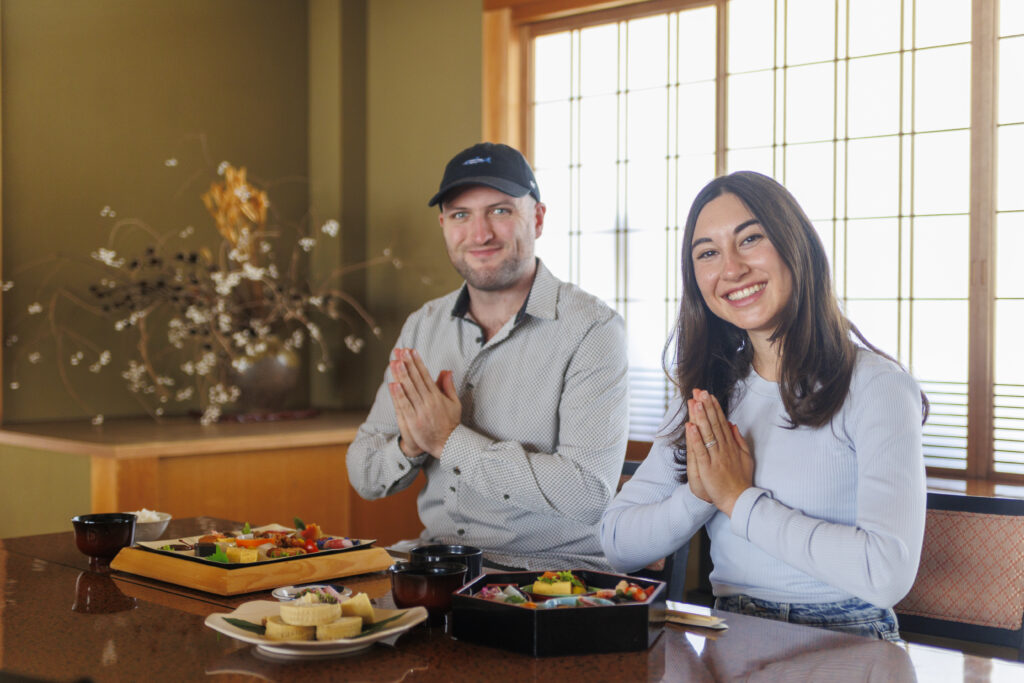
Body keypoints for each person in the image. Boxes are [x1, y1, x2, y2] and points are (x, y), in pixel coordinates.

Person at [600, 171, 928, 641]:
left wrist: (738, 498)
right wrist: (701, 494)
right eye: (708, 253)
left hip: (847, 637)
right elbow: (616, 544)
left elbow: (886, 572)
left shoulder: (876, 386)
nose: (731, 269)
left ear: (797, 247)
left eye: (750, 238)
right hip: (727, 633)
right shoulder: (708, 392)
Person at [346, 142, 629, 571]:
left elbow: (587, 493)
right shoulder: (424, 325)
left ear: (537, 218)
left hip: (550, 576)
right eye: (461, 215)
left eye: (499, 211)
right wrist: (411, 442)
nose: (480, 234)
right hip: (435, 564)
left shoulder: (592, 329)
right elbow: (365, 474)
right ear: (443, 224)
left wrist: (449, 441)